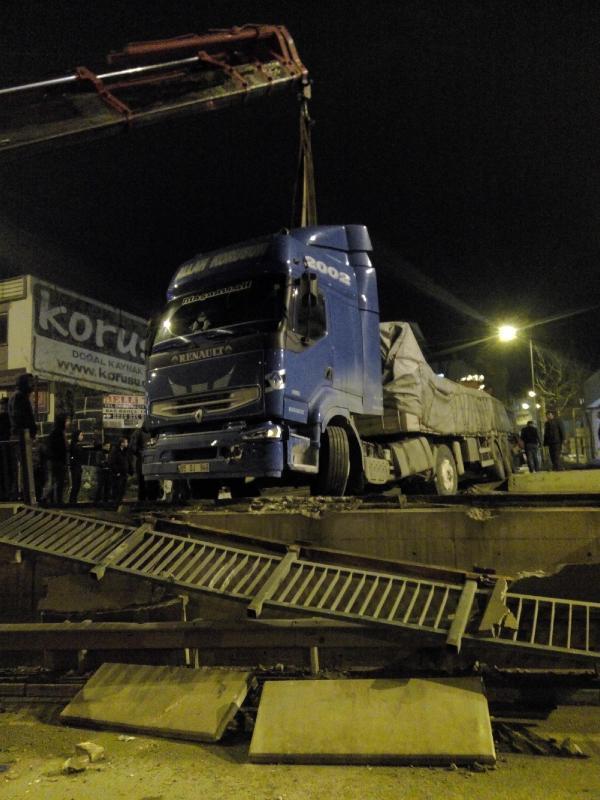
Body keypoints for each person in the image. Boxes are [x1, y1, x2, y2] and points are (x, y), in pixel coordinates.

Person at [8, 373, 37, 500]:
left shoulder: (19, 396)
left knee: (23, 465)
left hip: (22, 435)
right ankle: (22, 493)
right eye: (30, 382)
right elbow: (19, 417)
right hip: (21, 436)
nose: (32, 385)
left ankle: (22, 492)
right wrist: (28, 430)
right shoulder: (19, 397)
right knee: (23, 465)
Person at [44, 414, 68, 505]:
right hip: (57, 460)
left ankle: (51, 499)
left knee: (54, 481)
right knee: (58, 481)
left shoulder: (54, 433)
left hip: (54, 460)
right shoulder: (58, 433)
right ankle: (53, 499)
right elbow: (61, 448)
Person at [128, 423, 149, 502]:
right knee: (142, 481)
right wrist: (139, 453)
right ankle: (143, 499)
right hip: (142, 459)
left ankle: (144, 499)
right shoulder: (138, 432)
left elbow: (132, 446)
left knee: (144, 481)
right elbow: (132, 447)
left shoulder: (139, 432)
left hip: (144, 458)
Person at [109, 437, 130, 503]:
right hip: (118, 473)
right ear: (122, 443)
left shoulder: (125, 451)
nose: (127, 444)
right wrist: (117, 471)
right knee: (117, 488)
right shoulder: (115, 451)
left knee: (122, 488)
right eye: (126, 442)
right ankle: (115, 502)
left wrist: (129, 470)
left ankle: (119, 501)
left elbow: (127, 461)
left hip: (124, 473)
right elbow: (112, 462)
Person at [68, 429, 85, 504]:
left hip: (77, 467)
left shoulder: (76, 444)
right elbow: (73, 456)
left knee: (77, 484)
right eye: (81, 435)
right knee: (75, 485)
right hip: (75, 467)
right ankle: (72, 501)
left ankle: (73, 500)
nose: (82, 437)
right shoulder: (74, 445)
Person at [93, 439, 111, 503]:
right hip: (101, 472)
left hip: (107, 472)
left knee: (107, 486)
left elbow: (110, 462)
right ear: (103, 446)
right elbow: (99, 462)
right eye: (107, 446)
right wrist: (105, 463)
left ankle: (105, 500)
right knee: (100, 486)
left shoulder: (109, 454)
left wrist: (105, 462)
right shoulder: (99, 453)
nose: (108, 448)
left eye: (109, 446)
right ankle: (96, 500)